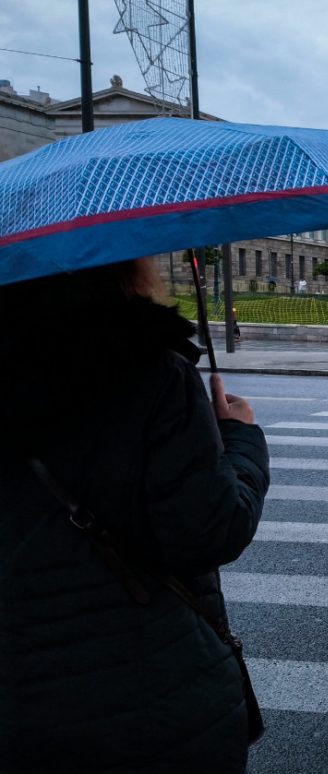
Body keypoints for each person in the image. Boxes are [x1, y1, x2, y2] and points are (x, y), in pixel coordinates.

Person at [0, 257, 270, 773]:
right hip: (143, 690)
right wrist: (239, 436)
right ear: (123, 266)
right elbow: (210, 529)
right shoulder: (149, 371)